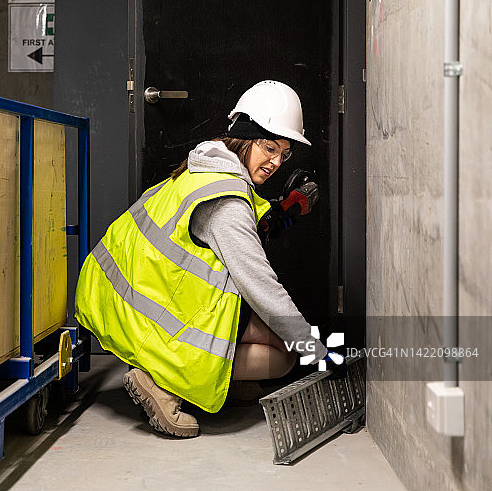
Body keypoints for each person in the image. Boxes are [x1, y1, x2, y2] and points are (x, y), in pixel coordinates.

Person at [74, 80, 332, 438]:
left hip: (119, 294)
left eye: (283, 153)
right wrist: (314, 350)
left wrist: (283, 212)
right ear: (245, 137)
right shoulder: (226, 203)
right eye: (269, 147)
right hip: (146, 314)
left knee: (270, 334)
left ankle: (218, 381)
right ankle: (164, 383)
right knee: (285, 354)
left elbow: (236, 233)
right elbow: (261, 285)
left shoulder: (208, 163)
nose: (275, 161)